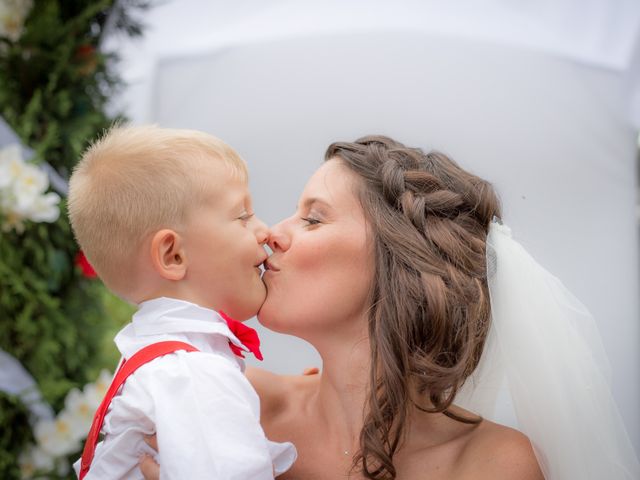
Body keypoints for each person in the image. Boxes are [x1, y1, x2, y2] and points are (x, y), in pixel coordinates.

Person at [140, 135, 639, 479]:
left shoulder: (496, 466)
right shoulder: (218, 402)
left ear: (395, 261)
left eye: (312, 219)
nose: (272, 233)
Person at [67, 125, 296, 479]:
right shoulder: (191, 375)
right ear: (173, 255)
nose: (265, 231)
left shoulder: (159, 363)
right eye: (243, 215)